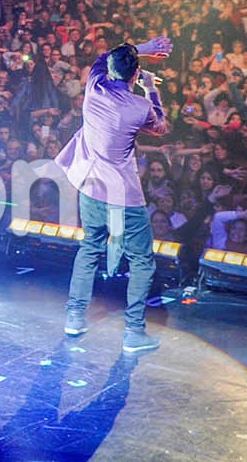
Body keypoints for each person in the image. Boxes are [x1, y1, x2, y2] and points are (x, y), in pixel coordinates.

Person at [56, 35, 172, 354]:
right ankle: (134, 332)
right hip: (122, 196)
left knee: (90, 248)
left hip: (91, 188)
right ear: (134, 75)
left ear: (108, 70)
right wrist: (151, 88)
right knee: (141, 260)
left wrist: (143, 49)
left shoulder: (93, 88)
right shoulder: (139, 106)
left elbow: (104, 57)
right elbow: (161, 127)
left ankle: (75, 317)